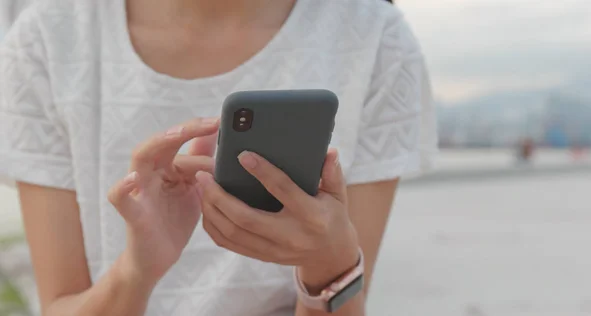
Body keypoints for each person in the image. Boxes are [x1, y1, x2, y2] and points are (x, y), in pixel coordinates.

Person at [0, 0, 437, 315]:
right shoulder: (46, 39)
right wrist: (136, 272)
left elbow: (347, 300)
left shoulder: (377, 39)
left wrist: (331, 264)